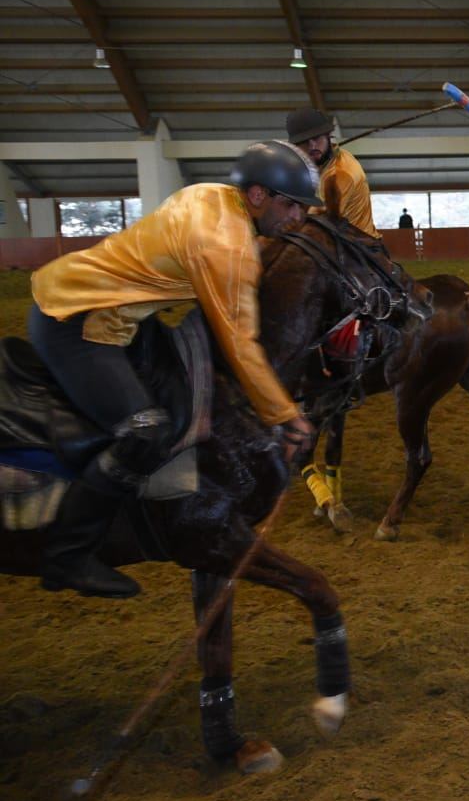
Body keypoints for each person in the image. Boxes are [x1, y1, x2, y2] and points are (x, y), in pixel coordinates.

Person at [28, 141, 322, 597]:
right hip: (76, 320)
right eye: (291, 205)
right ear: (259, 196)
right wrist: (286, 415)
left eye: (303, 208)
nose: (298, 218)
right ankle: (68, 556)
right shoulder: (229, 245)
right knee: (144, 430)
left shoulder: (210, 194)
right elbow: (240, 344)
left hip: (116, 311)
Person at [286, 108, 378, 239]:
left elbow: (317, 220)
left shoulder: (341, 173)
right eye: (304, 142)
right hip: (338, 241)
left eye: (317, 138)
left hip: (360, 249)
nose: (312, 146)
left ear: (328, 136)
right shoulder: (318, 165)